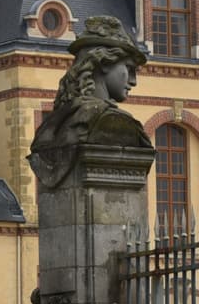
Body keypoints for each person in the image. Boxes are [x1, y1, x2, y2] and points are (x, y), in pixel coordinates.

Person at [27, 14, 151, 190]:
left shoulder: (57, 122)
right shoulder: (113, 122)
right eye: (129, 69)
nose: (133, 81)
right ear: (105, 63)